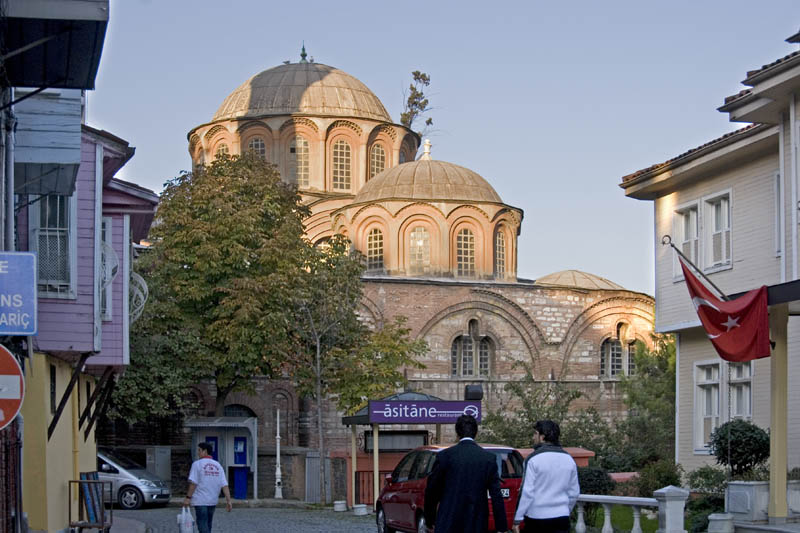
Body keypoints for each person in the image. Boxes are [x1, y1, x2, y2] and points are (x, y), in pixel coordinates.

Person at [424, 414, 511, 533]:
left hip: (448, 521)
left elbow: (432, 492)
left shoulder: (445, 456)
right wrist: (502, 527)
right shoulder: (488, 459)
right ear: (476, 433)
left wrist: (430, 520)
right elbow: (496, 495)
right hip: (476, 521)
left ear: (457, 433)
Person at [513, 420, 580, 533]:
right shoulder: (569, 459)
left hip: (537, 517)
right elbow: (574, 492)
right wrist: (565, 509)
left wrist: (517, 519)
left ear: (542, 437)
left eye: (535, 433)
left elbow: (527, 492)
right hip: (562, 516)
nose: (533, 437)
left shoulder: (533, 459)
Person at [183, 442, 232, 533]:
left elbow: (193, 483)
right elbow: (224, 485)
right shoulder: (218, 466)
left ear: (204, 451)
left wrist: (188, 498)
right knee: (208, 524)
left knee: (202, 525)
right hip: (212, 501)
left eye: (199, 450)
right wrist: (228, 501)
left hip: (200, 501)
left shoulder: (197, 464)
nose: (198, 452)